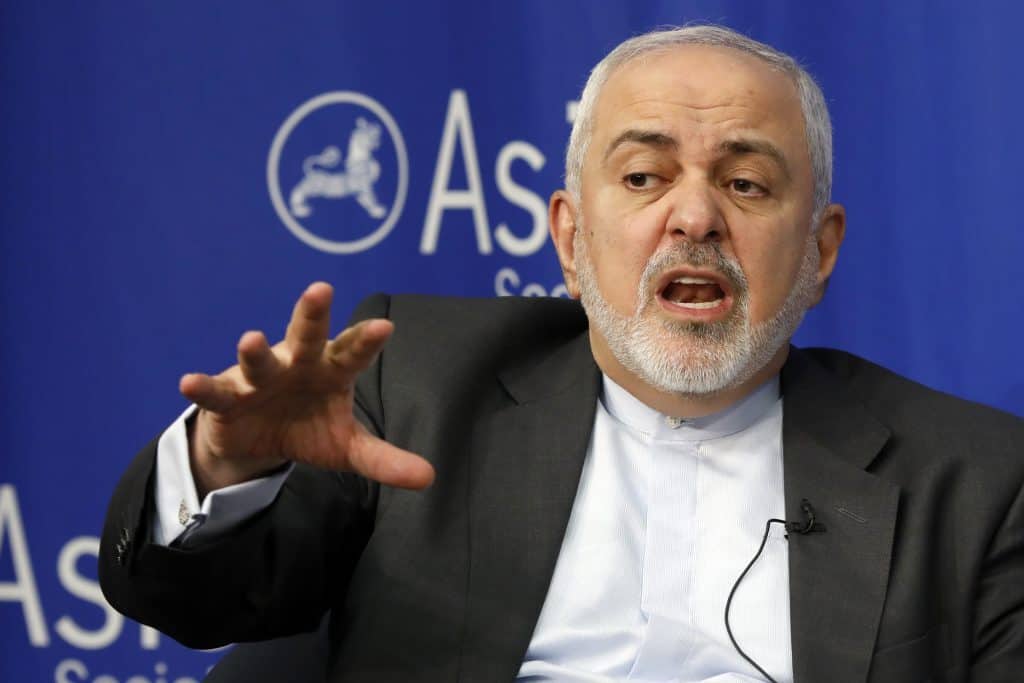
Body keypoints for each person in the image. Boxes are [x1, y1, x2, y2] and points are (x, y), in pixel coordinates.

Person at [99, 25, 1024, 683]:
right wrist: (230, 463)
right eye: (644, 176)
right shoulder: (416, 388)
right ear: (571, 241)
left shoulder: (973, 483)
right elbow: (195, 602)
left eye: (745, 183)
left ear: (820, 253)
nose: (695, 216)